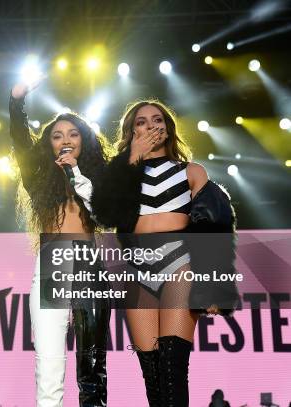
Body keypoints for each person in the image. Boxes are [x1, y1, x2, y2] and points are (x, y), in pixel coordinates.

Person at [90, 99, 238, 407]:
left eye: (156, 119)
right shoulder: (122, 175)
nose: (149, 126)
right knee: (153, 376)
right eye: (140, 122)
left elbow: (217, 227)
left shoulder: (191, 172)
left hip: (180, 262)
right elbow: (105, 212)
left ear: (167, 128)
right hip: (137, 268)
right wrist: (132, 158)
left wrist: (214, 288)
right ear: (131, 132)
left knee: (172, 369)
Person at [9, 79, 111, 407]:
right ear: (49, 145)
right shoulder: (39, 177)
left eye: (72, 134)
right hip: (51, 264)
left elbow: (106, 214)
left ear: (85, 141)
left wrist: (77, 175)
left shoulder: (99, 176)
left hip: (88, 264)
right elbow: (20, 141)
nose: (65, 140)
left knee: (92, 363)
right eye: (57, 135)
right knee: (49, 365)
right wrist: (16, 102)